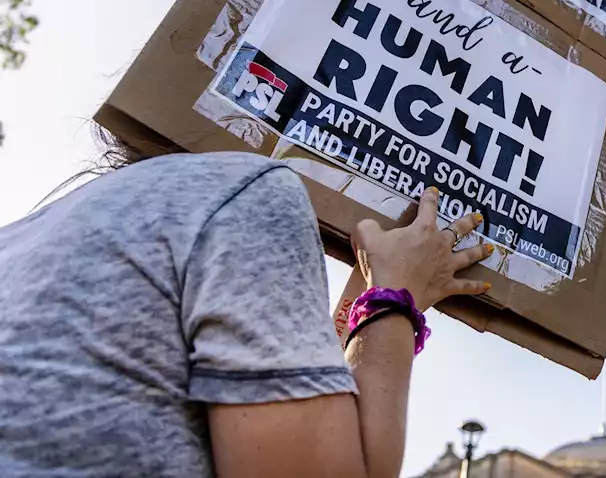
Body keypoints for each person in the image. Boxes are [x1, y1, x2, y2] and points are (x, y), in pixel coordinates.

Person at [0, 136, 490, 478]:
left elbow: (270, 411)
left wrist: (368, 296)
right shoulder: (250, 187)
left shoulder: (32, 237)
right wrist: (396, 296)